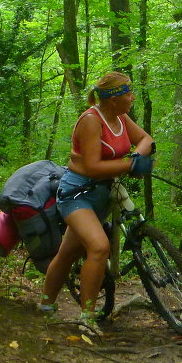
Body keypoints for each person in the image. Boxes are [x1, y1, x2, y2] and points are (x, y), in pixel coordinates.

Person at [40, 72, 154, 331]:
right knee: (99, 247)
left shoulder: (121, 118)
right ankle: (87, 319)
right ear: (113, 99)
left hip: (103, 194)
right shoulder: (91, 120)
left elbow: (146, 139)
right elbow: (91, 166)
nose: (132, 98)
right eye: (128, 94)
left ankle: (46, 304)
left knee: (69, 251)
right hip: (76, 193)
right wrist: (130, 165)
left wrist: (136, 156)